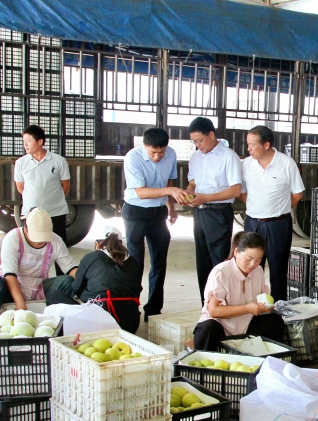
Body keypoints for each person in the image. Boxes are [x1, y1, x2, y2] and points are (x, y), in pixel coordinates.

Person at [123, 127, 183, 321]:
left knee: (159, 262)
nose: (157, 157)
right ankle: (131, 308)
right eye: (153, 152)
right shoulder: (132, 158)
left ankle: (153, 310)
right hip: (136, 213)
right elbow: (141, 192)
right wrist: (170, 191)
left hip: (158, 214)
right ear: (144, 146)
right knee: (135, 263)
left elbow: (168, 182)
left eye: (161, 152)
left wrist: (171, 208)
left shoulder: (171, 154)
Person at [181, 117, 243, 305]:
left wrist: (206, 198)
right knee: (203, 260)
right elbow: (193, 183)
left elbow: (235, 190)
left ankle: (223, 304)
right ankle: (206, 305)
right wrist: (188, 194)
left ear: (211, 135)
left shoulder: (228, 156)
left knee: (219, 261)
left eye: (200, 140)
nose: (197, 145)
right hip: (199, 213)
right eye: (194, 141)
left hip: (218, 213)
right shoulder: (196, 157)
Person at [240, 126, 304, 302]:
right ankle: (251, 307)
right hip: (253, 223)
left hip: (278, 225)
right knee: (250, 268)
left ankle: (278, 309)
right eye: (248, 144)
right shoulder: (246, 164)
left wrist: (277, 209)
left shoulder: (286, 163)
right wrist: (258, 207)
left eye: (252, 144)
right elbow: (242, 192)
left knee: (278, 270)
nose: (248, 148)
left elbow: (298, 194)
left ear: (266, 144)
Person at [193, 232, 285, 351]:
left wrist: (264, 308)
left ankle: (268, 360)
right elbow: (213, 311)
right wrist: (247, 308)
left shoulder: (258, 271)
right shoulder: (221, 272)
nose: (252, 264)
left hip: (246, 325)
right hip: (220, 327)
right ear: (236, 252)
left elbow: (262, 299)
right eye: (248, 259)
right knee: (207, 329)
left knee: (275, 321)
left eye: (258, 259)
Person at [0, 208, 78, 314]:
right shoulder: (13, 238)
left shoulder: (56, 241)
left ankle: (55, 316)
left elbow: (70, 268)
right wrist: (20, 303)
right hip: (11, 287)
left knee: (67, 281)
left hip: (38, 288)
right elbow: (10, 274)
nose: (40, 241)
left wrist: (87, 284)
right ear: (26, 228)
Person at [46, 226, 143, 334]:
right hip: (131, 325)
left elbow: (77, 288)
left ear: (97, 244)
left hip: (99, 324)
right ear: (121, 243)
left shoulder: (92, 258)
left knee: (53, 295)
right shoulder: (133, 262)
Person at [14, 125, 70, 246]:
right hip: (30, 214)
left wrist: (52, 199)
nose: (25, 144)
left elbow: (65, 186)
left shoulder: (59, 161)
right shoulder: (20, 163)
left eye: (28, 141)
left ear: (40, 141)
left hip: (56, 213)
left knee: (58, 247)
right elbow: (20, 188)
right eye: (24, 141)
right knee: (32, 247)